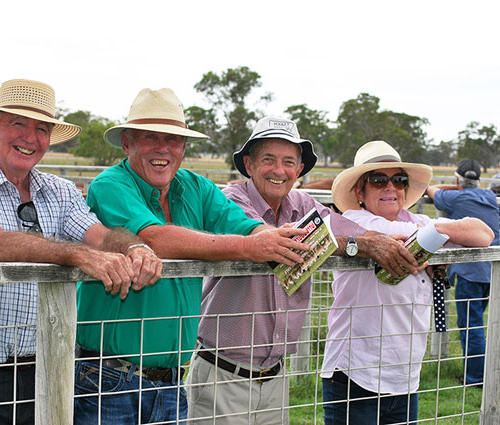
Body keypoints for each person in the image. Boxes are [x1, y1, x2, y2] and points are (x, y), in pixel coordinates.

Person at [0, 79, 162, 425]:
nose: (30, 138)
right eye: (18, 123)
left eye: (42, 128)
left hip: (44, 370)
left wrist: (134, 246)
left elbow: (99, 236)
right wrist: (77, 256)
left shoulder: (60, 191)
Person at [73, 90, 315, 425]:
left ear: (184, 148)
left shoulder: (196, 187)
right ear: (127, 144)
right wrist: (252, 247)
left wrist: (266, 237)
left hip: (171, 379)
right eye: (151, 138)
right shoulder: (111, 185)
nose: (164, 149)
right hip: (110, 376)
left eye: (173, 140)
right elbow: (153, 237)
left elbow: (244, 226)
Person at [185, 117, 422, 425]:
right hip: (223, 371)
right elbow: (284, 242)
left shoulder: (302, 202)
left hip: (274, 375)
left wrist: (390, 242)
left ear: (299, 169)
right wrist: (359, 245)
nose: (279, 170)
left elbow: (351, 228)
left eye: (288, 162)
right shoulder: (231, 200)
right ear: (249, 164)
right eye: (268, 160)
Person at [320, 141, 494, 425]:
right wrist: (436, 239)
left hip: (405, 375)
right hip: (355, 371)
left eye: (399, 180)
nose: (391, 187)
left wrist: (435, 231)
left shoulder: (421, 221)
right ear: (359, 191)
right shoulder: (351, 221)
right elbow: (392, 233)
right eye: (378, 180)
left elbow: (483, 233)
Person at [426, 159, 500, 386]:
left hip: (470, 271)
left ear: (458, 179)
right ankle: (480, 371)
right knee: (478, 322)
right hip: (490, 270)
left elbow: (431, 190)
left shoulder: (456, 197)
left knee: (471, 325)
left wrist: (451, 187)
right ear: (479, 180)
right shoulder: (489, 196)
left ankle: (476, 377)